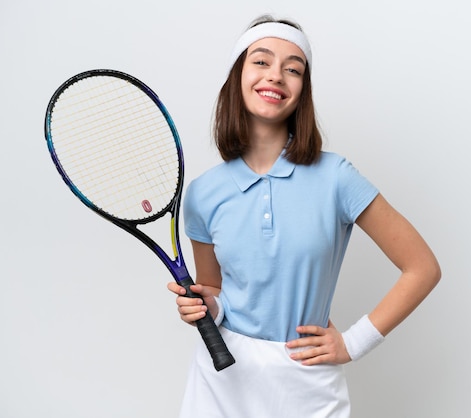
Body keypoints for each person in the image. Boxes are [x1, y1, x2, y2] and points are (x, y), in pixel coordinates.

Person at [167, 14, 441, 417]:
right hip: (221, 380)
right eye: (261, 61)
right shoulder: (204, 194)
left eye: (293, 69)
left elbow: (422, 267)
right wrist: (204, 307)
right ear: (236, 75)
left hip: (306, 381)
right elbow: (217, 293)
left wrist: (353, 342)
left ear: (302, 90)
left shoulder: (337, 178)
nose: (276, 75)